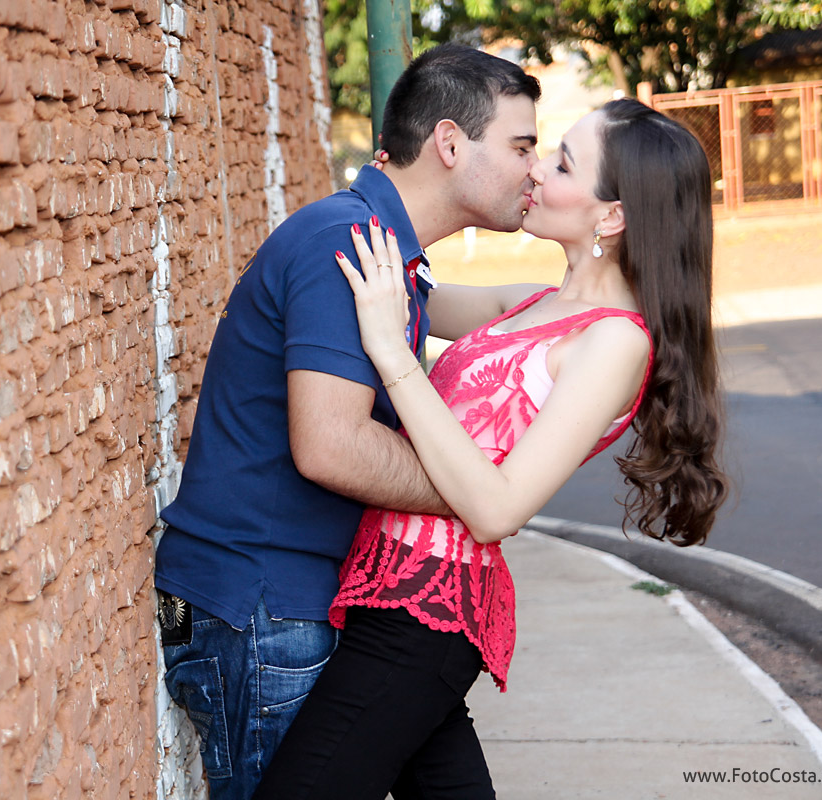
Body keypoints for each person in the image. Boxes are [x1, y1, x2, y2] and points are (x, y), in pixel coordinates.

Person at [252, 98, 729, 800]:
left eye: (562, 162)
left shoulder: (615, 342)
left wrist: (394, 354)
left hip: (426, 614)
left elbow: (499, 508)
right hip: (388, 594)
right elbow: (399, 281)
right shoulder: (531, 303)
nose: (536, 170)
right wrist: (400, 181)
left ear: (612, 216)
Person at [154, 44, 542, 799]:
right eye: (522, 146)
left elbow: (507, 309)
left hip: (299, 606)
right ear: (452, 144)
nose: (534, 166)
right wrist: (477, 494)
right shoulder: (350, 243)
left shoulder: (391, 252)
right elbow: (331, 446)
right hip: (263, 613)